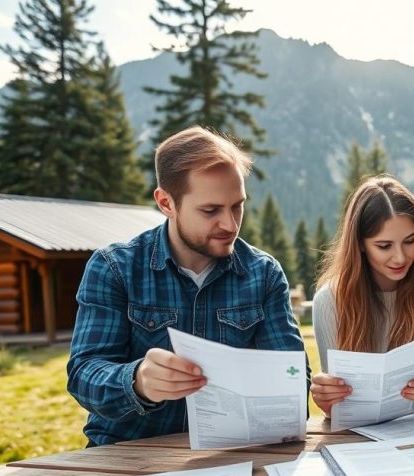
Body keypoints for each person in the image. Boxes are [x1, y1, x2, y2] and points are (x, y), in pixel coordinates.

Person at [67, 126, 305, 446]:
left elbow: (294, 382)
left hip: (229, 453)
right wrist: (137, 381)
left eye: (237, 205)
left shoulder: (263, 274)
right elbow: (84, 376)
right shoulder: (115, 268)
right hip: (131, 455)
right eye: (211, 211)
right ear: (166, 203)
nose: (230, 225)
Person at [309, 175, 414, 417]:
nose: (400, 257)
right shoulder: (329, 300)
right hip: (358, 437)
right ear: (360, 244)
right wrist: (327, 399)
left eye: (410, 241)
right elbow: (335, 400)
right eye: (384, 246)